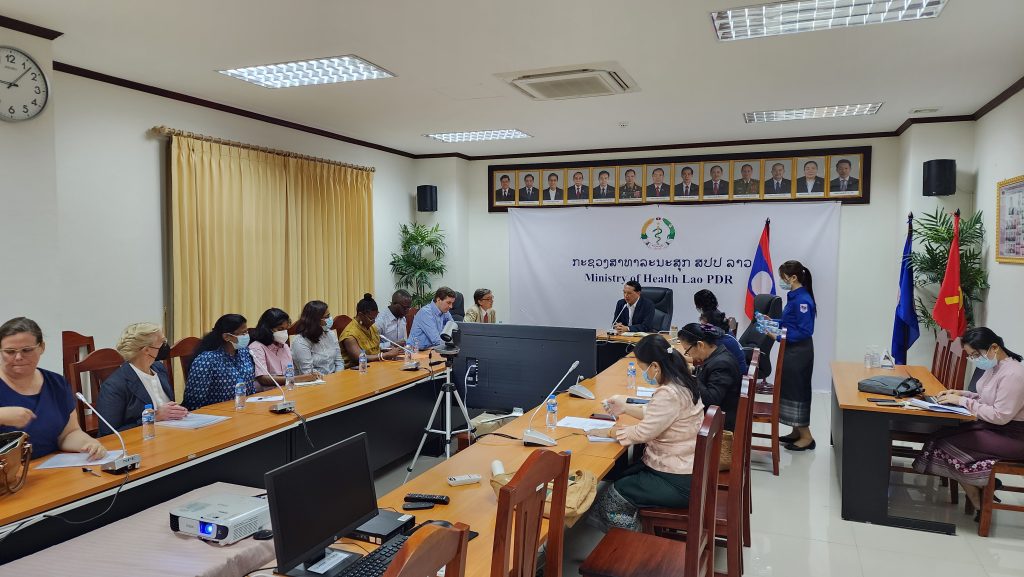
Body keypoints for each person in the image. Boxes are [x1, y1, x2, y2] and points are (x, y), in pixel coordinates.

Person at [588, 334, 705, 532]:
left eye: (644, 369)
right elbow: (657, 415)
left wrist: (609, 432)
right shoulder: (683, 382)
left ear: (655, 367)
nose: (645, 374)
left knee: (611, 498)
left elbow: (643, 433)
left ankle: (638, 541)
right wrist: (624, 408)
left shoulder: (668, 393)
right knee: (625, 476)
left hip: (677, 479)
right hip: (687, 468)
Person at [913, 327, 1024, 514]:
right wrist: (962, 394)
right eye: (971, 356)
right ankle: (980, 488)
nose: (974, 359)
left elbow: (1000, 415)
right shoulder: (996, 367)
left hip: (1013, 436)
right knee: (939, 436)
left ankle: (978, 497)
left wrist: (963, 401)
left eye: (975, 354)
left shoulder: (1014, 374)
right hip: (994, 428)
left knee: (944, 444)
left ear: (994, 347)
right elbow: (988, 397)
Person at [0, 317, 107, 460]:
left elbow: (68, 433)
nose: (18, 357)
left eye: (27, 350)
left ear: (41, 347)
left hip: (48, 470)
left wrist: (88, 443)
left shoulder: (56, 383)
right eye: (10, 351)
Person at [96, 322, 188, 435]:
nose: (166, 345)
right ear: (146, 350)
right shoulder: (114, 386)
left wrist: (177, 411)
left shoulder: (159, 369)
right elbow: (109, 433)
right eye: (162, 342)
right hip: (143, 443)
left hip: (172, 433)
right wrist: (154, 417)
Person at [766, 260, 817, 450]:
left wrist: (778, 337)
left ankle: (806, 437)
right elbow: (791, 322)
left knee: (797, 390)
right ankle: (796, 431)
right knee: (789, 389)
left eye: (783, 278)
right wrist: (774, 322)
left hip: (799, 353)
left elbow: (805, 331)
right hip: (791, 351)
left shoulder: (803, 300)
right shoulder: (795, 296)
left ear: (793, 277)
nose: (782, 281)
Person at [183, 314, 256, 410]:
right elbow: (193, 402)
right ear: (226, 337)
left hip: (244, 409)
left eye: (247, 332)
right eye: (242, 333)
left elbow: (250, 388)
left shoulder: (244, 352)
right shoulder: (206, 360)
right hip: (215, 414)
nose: (246, 336)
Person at [677, 323, 742, 431]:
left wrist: (689, 376)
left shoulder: (722, 364)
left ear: (700, 345)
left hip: (716, 424)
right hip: (711, 416)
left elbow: (711, 400)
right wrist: (693, 370)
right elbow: (706, 375)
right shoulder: (717, 355)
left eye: (687, 351)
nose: (688, 355)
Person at [248, 308, 321, 389]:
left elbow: (290, 372)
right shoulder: (257, 347)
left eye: (286, 329)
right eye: (280, 329)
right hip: (267, 394)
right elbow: (263, 379)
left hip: (288, 390)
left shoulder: (284, 346)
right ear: (267, 329)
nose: (284, 332)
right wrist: (299, 379)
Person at [339, 294, 404, 368]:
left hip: (375, 365)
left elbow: (376, 349)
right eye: (371, 319)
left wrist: (389, 350)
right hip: (358, 370)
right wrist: (386, 355)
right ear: (361, 315)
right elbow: (359, 358)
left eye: (375, 318)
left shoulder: (372, 328)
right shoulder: (350, 335)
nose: (373, 322)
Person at [290, 300, 345, 375]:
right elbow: (308, 372)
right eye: (326, 317)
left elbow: (339, 361)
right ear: (315, 321)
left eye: (329, 315)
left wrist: (338, 376)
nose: (330, 319)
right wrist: (330, 380)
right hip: (314, 383)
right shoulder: (300, 342)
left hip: (335, 378)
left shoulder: (330, 334)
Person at [699, 309, 748, 376]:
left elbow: (700, 359)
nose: (701, 328)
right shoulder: (725, 331)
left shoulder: (720, 341)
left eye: (703, 325)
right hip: (735, 372)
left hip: (735, 377)